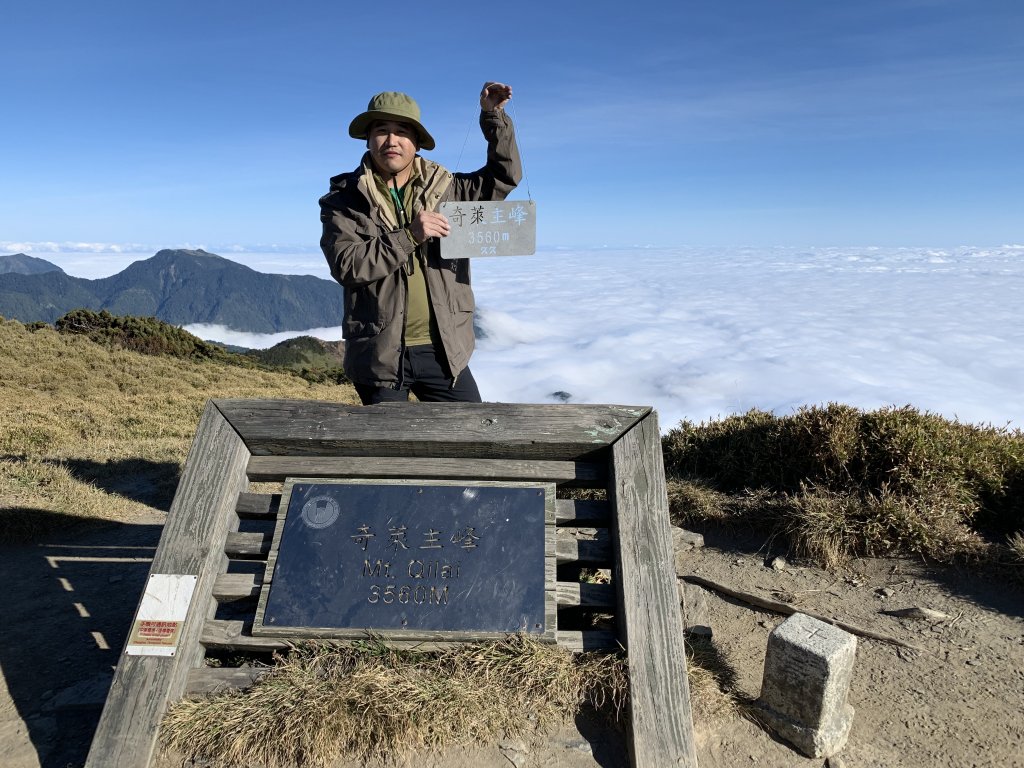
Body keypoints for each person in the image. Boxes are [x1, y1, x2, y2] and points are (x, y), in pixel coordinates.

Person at [319, 83, 522, 404]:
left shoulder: (449, 188)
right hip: (379, 352)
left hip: (445, 348)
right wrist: (410, 235)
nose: (391, 140)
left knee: (470, 438)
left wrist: (493, 116)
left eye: (402, 131)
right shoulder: (343, 200)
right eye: (381, 130)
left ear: (416, 142)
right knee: (389, 449)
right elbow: (348, 266)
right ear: (368, 139)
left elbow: (503, 177)